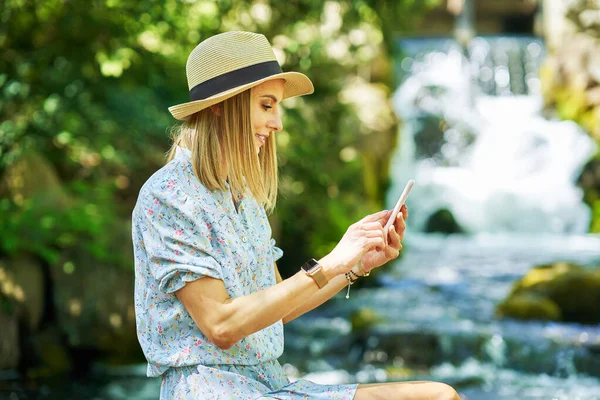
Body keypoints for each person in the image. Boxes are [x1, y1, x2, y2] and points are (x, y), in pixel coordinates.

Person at [132, 31, 460, 400]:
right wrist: (332, 263)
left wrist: (353, 265)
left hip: (270, 384)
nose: (278, 124)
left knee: (439, 396)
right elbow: (221, 326)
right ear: (221, 106)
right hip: (213, 390)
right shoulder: (170, 196)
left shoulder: (242, 198)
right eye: (267, 106)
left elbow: (277, 309)